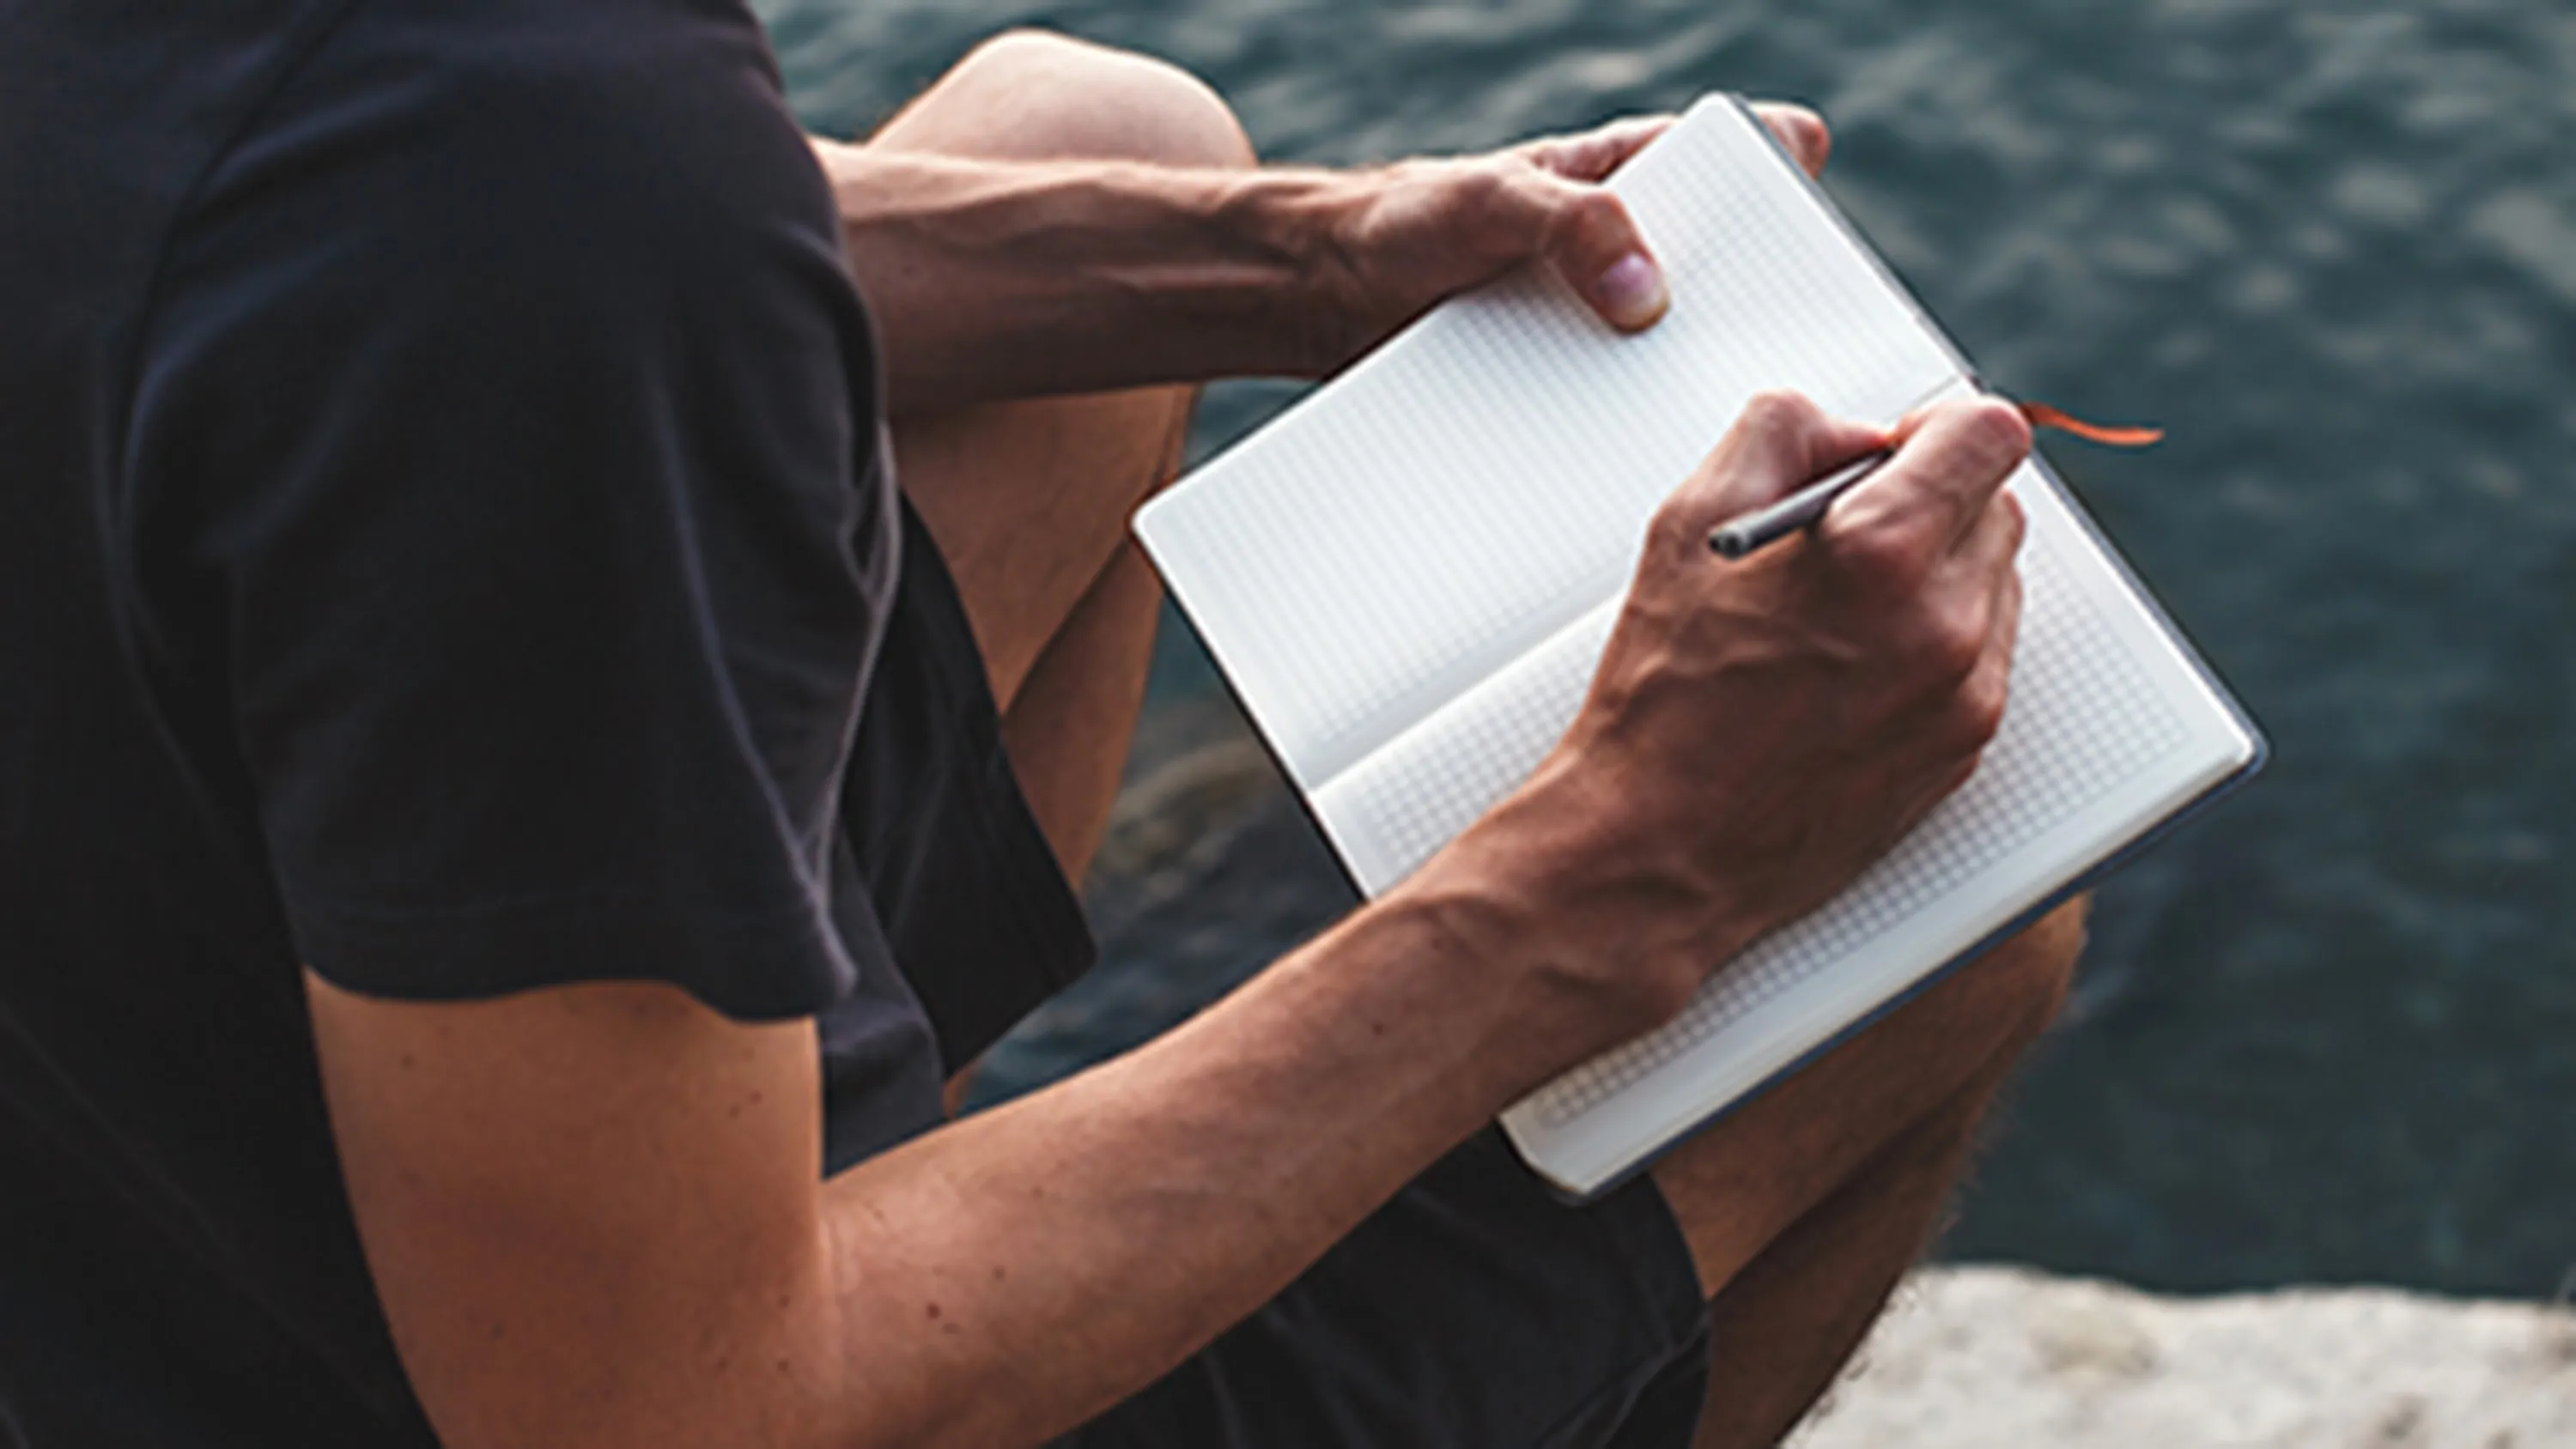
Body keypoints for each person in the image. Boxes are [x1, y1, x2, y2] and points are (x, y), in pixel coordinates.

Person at [0, 3, 2084, 1446]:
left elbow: (527, 221)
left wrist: (1297, 260)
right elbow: (657, 1419)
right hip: (585, 1375)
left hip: (138, 1168)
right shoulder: (534, 179)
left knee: (1112, 135)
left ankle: (933, 1189)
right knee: (1922, 910)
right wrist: (1628, 860)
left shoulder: (437, 131)